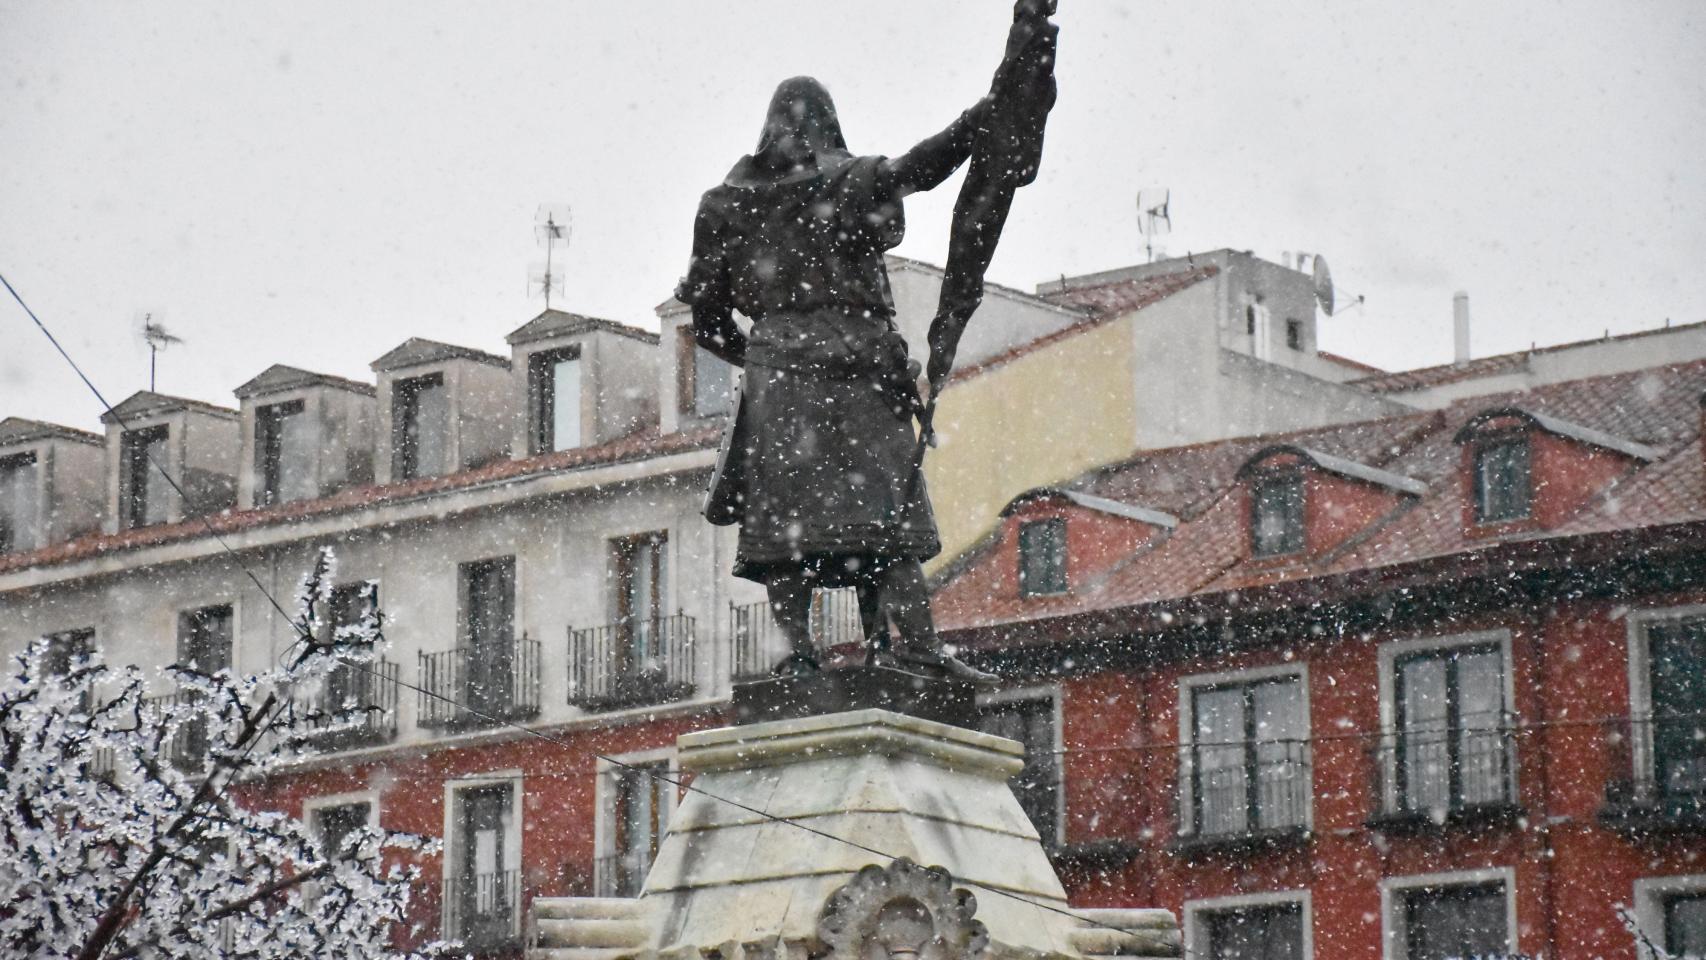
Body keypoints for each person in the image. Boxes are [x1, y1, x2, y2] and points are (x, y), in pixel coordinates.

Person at [676, 76, 996, 683]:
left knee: (785, 528)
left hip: (780, 374)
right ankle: (915, 649)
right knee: (886, 516)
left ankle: (801, 658)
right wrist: (981, 118)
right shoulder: (849, 182)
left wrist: (769, 358)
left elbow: (710, 324)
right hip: (861, 363)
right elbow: (920, 168)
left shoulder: (724, 205)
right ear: (830, 125)